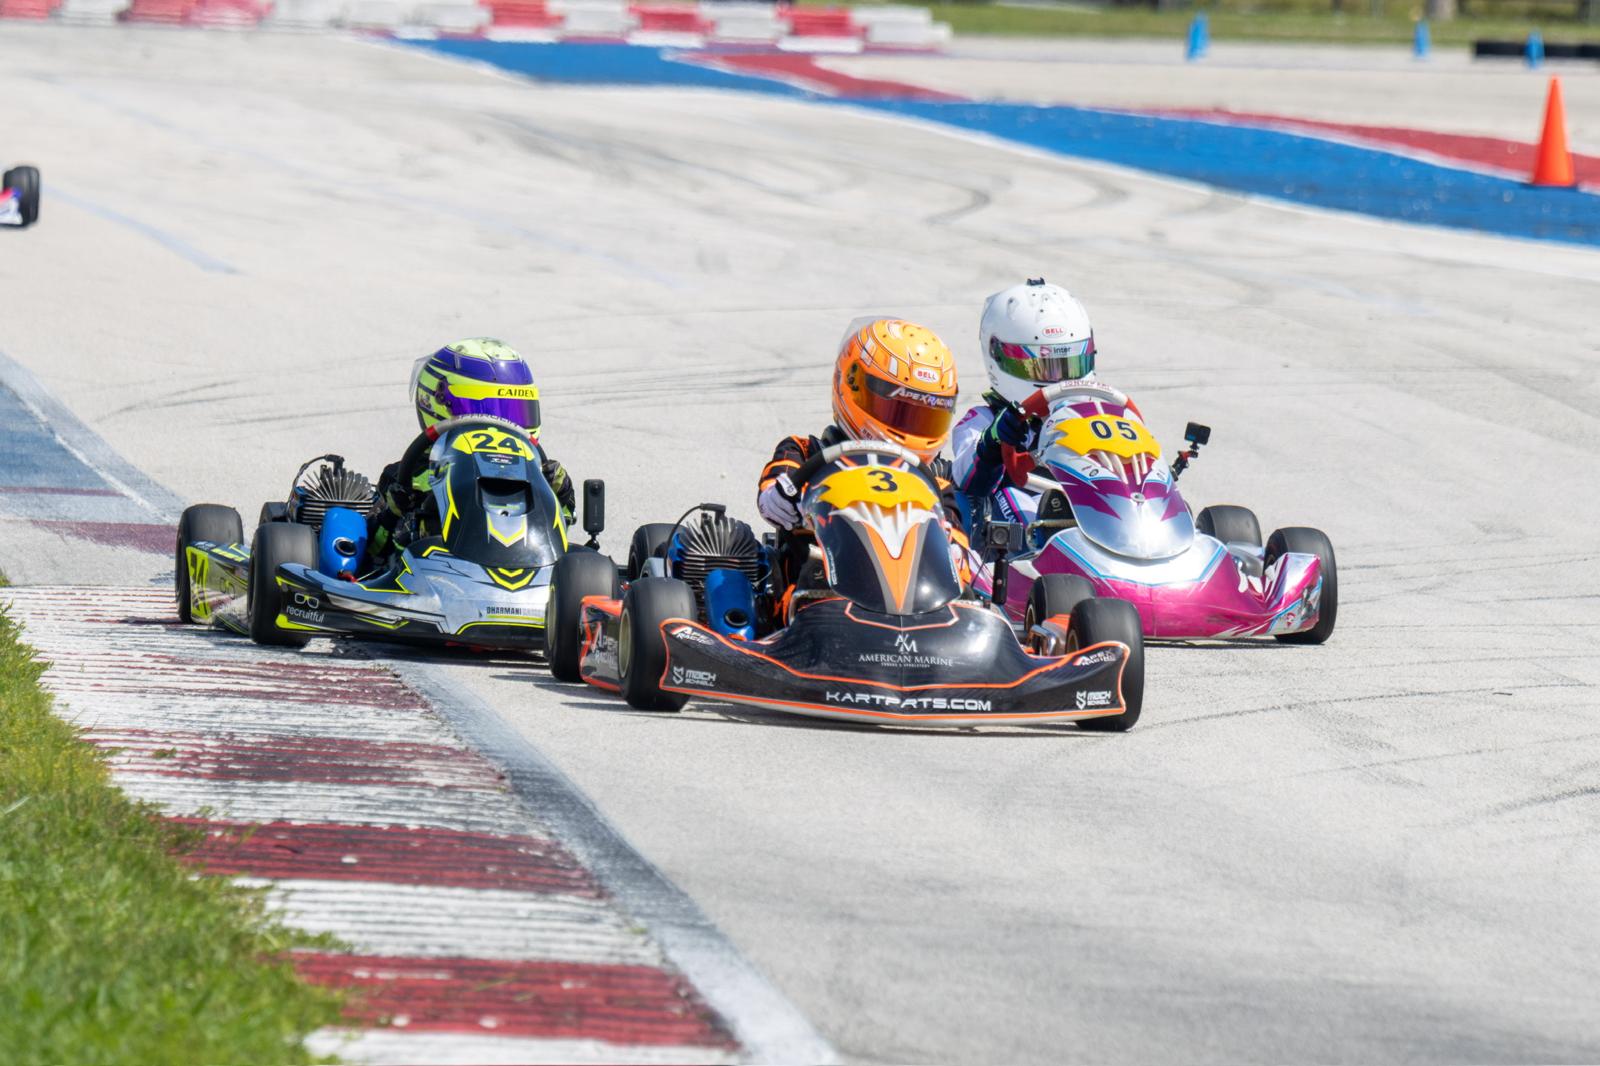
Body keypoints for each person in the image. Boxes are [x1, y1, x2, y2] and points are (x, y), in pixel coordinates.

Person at [756, 317, 971, 606]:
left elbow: (957, 545)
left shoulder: (935, 484)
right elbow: (773, 492)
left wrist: (954, 549)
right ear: (854, 385)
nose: (910, 428)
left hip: (920, 606)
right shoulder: (805, 453)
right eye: (901, 413)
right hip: (817, 597)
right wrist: (782, 498)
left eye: (925, 418)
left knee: (968, 593)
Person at [952, 278, 1139, 526]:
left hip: (1095, 512)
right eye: (1043, 367)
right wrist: (994, 441)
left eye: (1069, 365)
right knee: (1011, 498)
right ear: (999, 357)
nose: (1058, 379)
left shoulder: (1100, 416)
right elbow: (965, 479)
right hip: (1021, 534)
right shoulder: (982, 421)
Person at [369, 338, 574, 561]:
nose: (499, 424)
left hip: (527, 561)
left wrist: (562, 494)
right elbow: (373, 552)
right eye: (486, 410)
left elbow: (559, 528)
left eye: (513, 411)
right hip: (435, 569)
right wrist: (393, 514)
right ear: (438, 402)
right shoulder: (407, 475)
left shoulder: (534, 471)